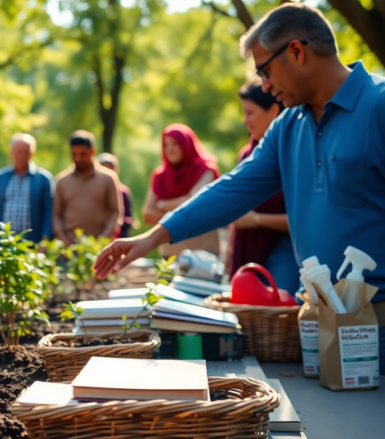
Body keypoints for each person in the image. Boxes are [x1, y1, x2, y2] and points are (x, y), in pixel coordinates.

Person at [92, 3, 385, 375]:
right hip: (315, 325)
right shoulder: (287, 127)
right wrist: (152, 237)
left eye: (264, 70)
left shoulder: (378, 106)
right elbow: (233, 188)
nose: (264, 85)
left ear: (296, 51)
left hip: (378, 326)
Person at [227, 79, 298, 292]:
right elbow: (234, 212)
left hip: (285, 252)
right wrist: (229, 254)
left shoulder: (293, 153)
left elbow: (304, 218)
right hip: (247, 254)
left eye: (250, 113)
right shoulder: (247, 154)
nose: (244, 120)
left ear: (273, 110)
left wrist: (256, 220)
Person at [142, 124, 221, 259]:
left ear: (187, 145)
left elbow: (193, 202)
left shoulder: (207, 170)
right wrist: (182, 211)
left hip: (203, 253)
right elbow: (147, 215)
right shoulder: (159, 176)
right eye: (165, 145)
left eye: (175, 144)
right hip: (170, 255)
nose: (169, 149)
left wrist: (161, 205)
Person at [53, 130, 123, 246]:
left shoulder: (108, 178)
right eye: (74, 154)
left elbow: (116, 213)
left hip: (98, 248)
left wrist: (102, 240)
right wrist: (63, 238)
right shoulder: (62, 181)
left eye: (82, 154)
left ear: (92, 152)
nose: (78, 159)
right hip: (68, 249)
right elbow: (56, 214)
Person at [0, 133, 54, 250]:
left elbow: (48, 211)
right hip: (4, 242)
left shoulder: (43, 179)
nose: (22, 156)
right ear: (11, 152)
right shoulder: (0, 178)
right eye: (19, 152)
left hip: (33, 242)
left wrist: (45, 241)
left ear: (32, 153)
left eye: (26, 152)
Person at [97, 152, 133, 238]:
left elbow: (128, 217)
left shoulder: (123, 191)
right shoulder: (95, 191)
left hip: (119, 235)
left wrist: (118, 221)